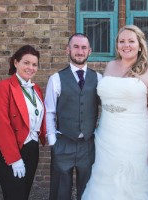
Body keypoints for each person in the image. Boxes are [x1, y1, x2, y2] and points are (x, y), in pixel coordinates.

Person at [82, 25, 148, 200]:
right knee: (105, 182)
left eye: (131, 41)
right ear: (117, 46)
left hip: (137, 138)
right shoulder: (110, 66)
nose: (126, 45)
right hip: (107, 136)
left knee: (135, 184)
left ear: (140, 45)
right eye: (122, 41)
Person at [0, 45, 46, 200]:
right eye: (26, 63)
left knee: (23, 195)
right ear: (15, 63)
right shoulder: (3, 87)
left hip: (32, 150)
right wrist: (14, 158)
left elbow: (39, 117)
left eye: (34, 64)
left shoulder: (36, 89)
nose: (30, 67)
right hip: (11, 152)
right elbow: (1, 125)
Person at [45, 33, 102, 200]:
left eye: (84, 47)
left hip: (88, 145)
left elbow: (105, 108)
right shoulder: (56, 79)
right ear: (67, 50)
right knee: (60, 192)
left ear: (89, 51)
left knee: (88, 190)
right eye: (75, 47)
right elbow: (50, 112)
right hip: (63, 142)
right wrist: (53, 141)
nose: (79, 51)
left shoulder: (98, 78)